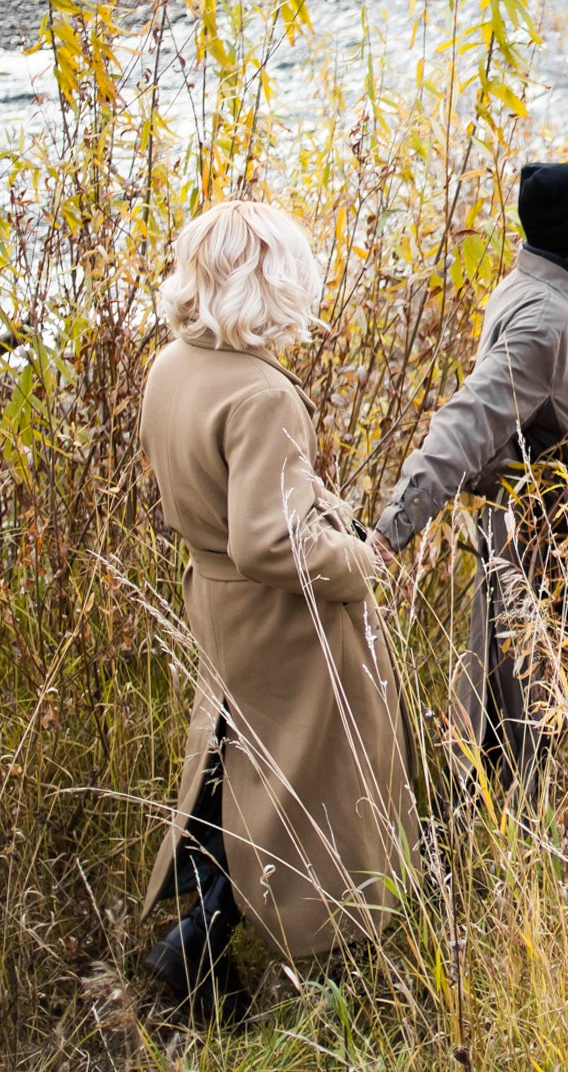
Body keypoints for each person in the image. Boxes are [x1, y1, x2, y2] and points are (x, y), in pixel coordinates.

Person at [137, 200, 417, 1022]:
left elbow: (225, 504)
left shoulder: (172, 367)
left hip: (217, 602)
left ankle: (196, 943)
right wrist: (359, 562)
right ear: (270, 282)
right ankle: (319, 945)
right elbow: (268, 540)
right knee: (303, 780)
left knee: (235, 764)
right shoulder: (262, 393)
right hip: (279, 618)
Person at [370, 162, 568, 888]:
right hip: (554, 547)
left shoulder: (538, 283)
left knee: (504, 718)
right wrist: (390, 533)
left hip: (542, 535)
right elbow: (462, 427)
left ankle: (456, 870)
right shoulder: (541, 320)